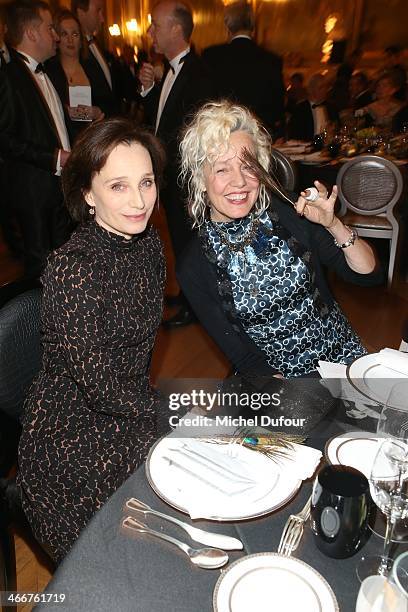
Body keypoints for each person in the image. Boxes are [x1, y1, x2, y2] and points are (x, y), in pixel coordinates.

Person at [17, 117, 166, 563]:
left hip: (127, 407)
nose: (139, 201)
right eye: (118, 186)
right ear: (88, 194)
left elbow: (136, 361)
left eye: (146, 182)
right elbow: (101, 387)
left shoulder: (149, 245)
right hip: (69, 439)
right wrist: (167, 419)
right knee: (143, 548)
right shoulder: (75, 269)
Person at [177, 101, 383, 380]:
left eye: (248, 166)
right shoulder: (193, 266)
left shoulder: (289, 215)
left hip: (343, 358)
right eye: (222, 169)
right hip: (281, 381)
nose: (239, 182)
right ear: (200, 179)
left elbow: (369, 276)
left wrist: (333, 224)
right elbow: (244, 357)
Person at [139, 0, 214, 327]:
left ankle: (195, 308)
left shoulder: (198, 73)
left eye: (155, 24)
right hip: (170, 176)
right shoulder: (170, 69)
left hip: (185, 178)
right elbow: (165, 118)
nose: (150, 31)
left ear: (176, 29)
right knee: (181, 242)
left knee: (189, 243)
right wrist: (149, 91)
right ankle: (186, 296)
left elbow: (193, 132)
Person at [0, 0, 72, 279]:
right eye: (50, 28)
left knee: (64, 270)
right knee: (41, 275)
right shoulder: (8, 78)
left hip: (58, 191)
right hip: (33, 195)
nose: (56, 35)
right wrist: (54, 157)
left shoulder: (47, 71)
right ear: (31, 33)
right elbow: (4, 138)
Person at [202, 0, 285, 136]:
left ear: (228, 25)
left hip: (222, 133)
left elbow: (205, 100)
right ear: (252, 26)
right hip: (259, 135)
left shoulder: (211, 56)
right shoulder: (271, 60)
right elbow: (277, 108)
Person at [46, 9, 104, 142]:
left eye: (75, 34)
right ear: (56, 37)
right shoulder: (49, 72)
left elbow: (110, 104)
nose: (70, 40)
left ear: (81, 40)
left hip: (94, 140)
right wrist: (64, 112)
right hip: (64, 143)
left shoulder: (93, 69)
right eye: (64, 34)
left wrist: (98, 112)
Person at [72, 0, 120, 117]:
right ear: (81, 12)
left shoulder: (96, 44)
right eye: (98, 11)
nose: (102, 19)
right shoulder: (72, 51)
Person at [287, 72, 338, 141]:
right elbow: (295, 135)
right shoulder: (300, 109)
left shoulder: (331, 107)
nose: (325, 90)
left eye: (326, 87)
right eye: (321, 88)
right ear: (311, 90)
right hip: (308, 148)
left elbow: (337, 129)